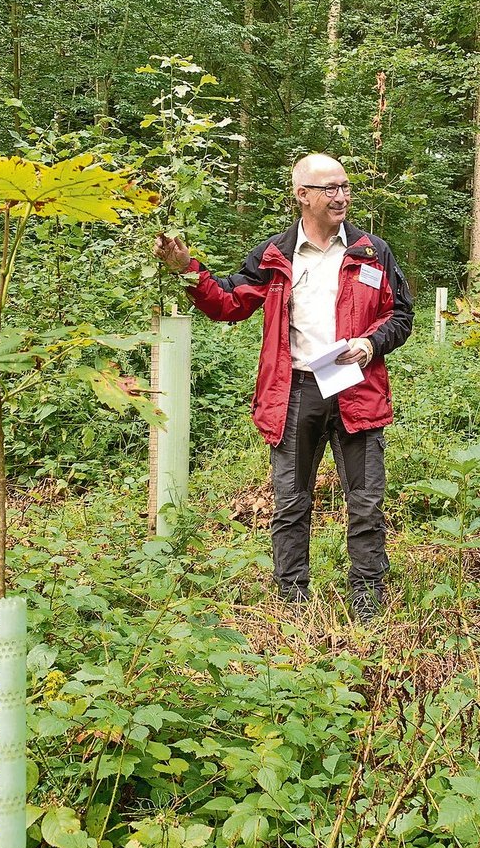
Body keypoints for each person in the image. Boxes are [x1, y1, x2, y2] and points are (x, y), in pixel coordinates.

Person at [154, 154, 413, 620]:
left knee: (366, 500)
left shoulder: (372, 251)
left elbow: (400, 315)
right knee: (291, 500)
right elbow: (229, 302)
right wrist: (187, 269)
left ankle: (367, 596)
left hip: (356, 389)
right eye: (330, 188)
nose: (341, 196)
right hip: (295, 391)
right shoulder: (275, 254)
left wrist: (370, 343)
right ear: (302, 195)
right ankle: (292, 597)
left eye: (345, 187)